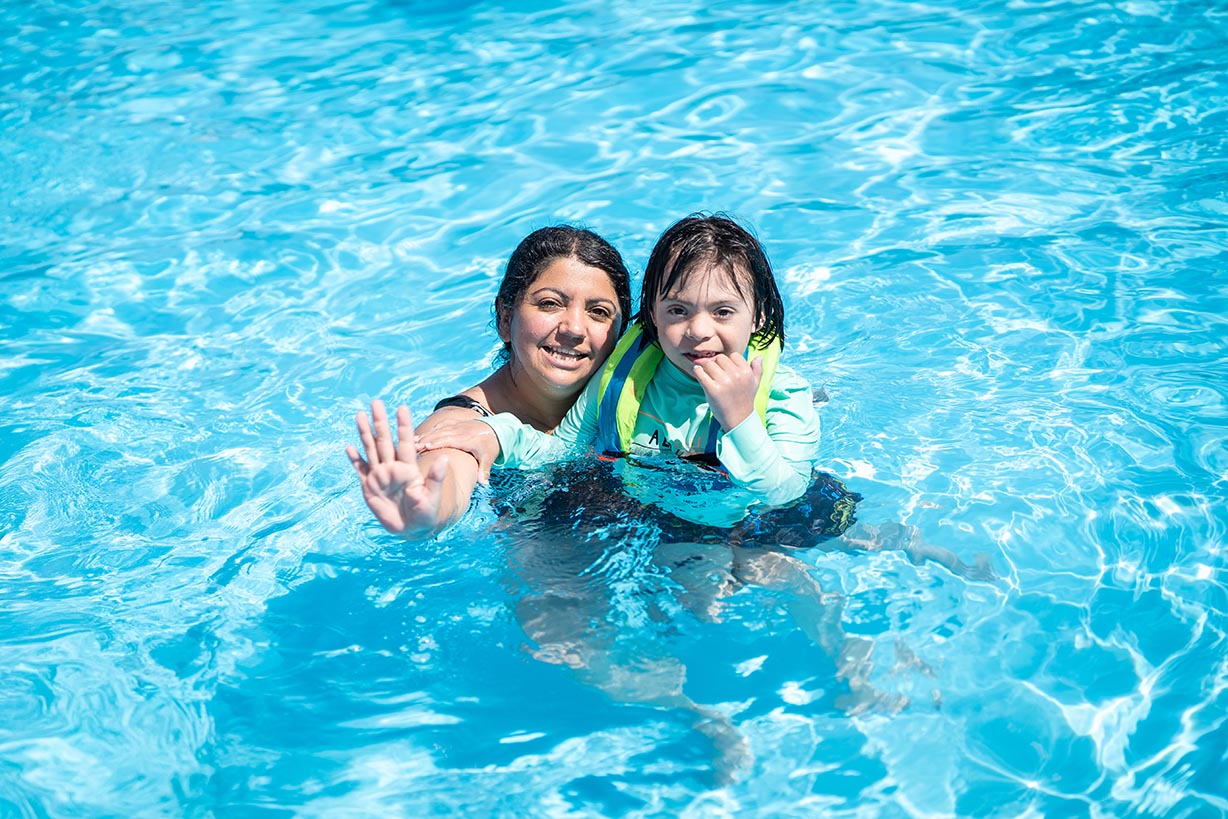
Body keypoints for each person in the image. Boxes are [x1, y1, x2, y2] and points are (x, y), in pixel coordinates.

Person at [419, 213, 821, 520]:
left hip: (761, 522)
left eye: (723, 312)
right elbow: (563, 447)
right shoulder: (621, 379)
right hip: (670, 521)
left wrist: (740, 419)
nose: (699, 331)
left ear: (757, 317)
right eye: (678, 310)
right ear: (652, 316)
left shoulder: (783, 393)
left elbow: (784, 496)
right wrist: (496, 434)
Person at [346, 225, 632, 539]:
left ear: (620, 336)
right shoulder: (466, 422)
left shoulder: (637, 400)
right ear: (505, 319)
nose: (575, 328)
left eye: (599, 312)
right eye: (550, 304)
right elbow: (448, 464)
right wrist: (427, 511)